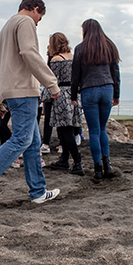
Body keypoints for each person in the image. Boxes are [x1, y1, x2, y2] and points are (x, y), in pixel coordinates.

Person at [0, 0, 61, 211]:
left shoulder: (5, 27)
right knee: (20, 140)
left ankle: (37, 192)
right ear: (35, 8)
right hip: (23, 90)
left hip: (10, 91)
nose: (37, 23)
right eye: (39, 18)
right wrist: (51, 84)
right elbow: (29, 52)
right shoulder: (25, 22)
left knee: (33, 142)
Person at [71, 19, 121, 181]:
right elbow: (116, 73)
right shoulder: (110, 46)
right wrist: (116, 95)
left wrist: (73, 96)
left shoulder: (80, 48)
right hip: (107, 88)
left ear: (85, 31)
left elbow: (75, 75)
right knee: (102, 129)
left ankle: (98, 169)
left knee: (93, 131)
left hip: (89, 90)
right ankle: (108, 165)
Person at [47, 32, 84, 176]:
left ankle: (77, 162)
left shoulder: (56, 59)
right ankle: (64, 159)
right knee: (65, 129)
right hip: (74, 94)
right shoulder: (74, 57)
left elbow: (52, 79)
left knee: (65, 130)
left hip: (61, 94)